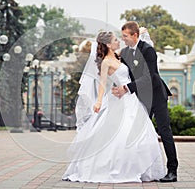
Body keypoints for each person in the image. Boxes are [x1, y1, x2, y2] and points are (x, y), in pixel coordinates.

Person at [62, 31, 165, 183]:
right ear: (108, 44)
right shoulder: (106, 62)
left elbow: (135, 49)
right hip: (118, 100)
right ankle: (116, 167)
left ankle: (140, 168)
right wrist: (98, 101)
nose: (119, 41)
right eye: (116, 40)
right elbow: (103, 83)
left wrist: (141, 34)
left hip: (130, 98)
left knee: (141, 132)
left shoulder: (118, 56)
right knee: (121, 134)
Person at [111, 21, 178, 182]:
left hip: (156, 96)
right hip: (140, 99)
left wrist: (127, 88)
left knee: (164, 130)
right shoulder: (125, 52)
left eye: (125, 36)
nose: (123, 39)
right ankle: (141, 169)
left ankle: (172, 170)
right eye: (122, 36)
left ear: (135, 35)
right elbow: (123, 72)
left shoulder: (148, 51)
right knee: (140, 133)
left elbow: (150, 77)